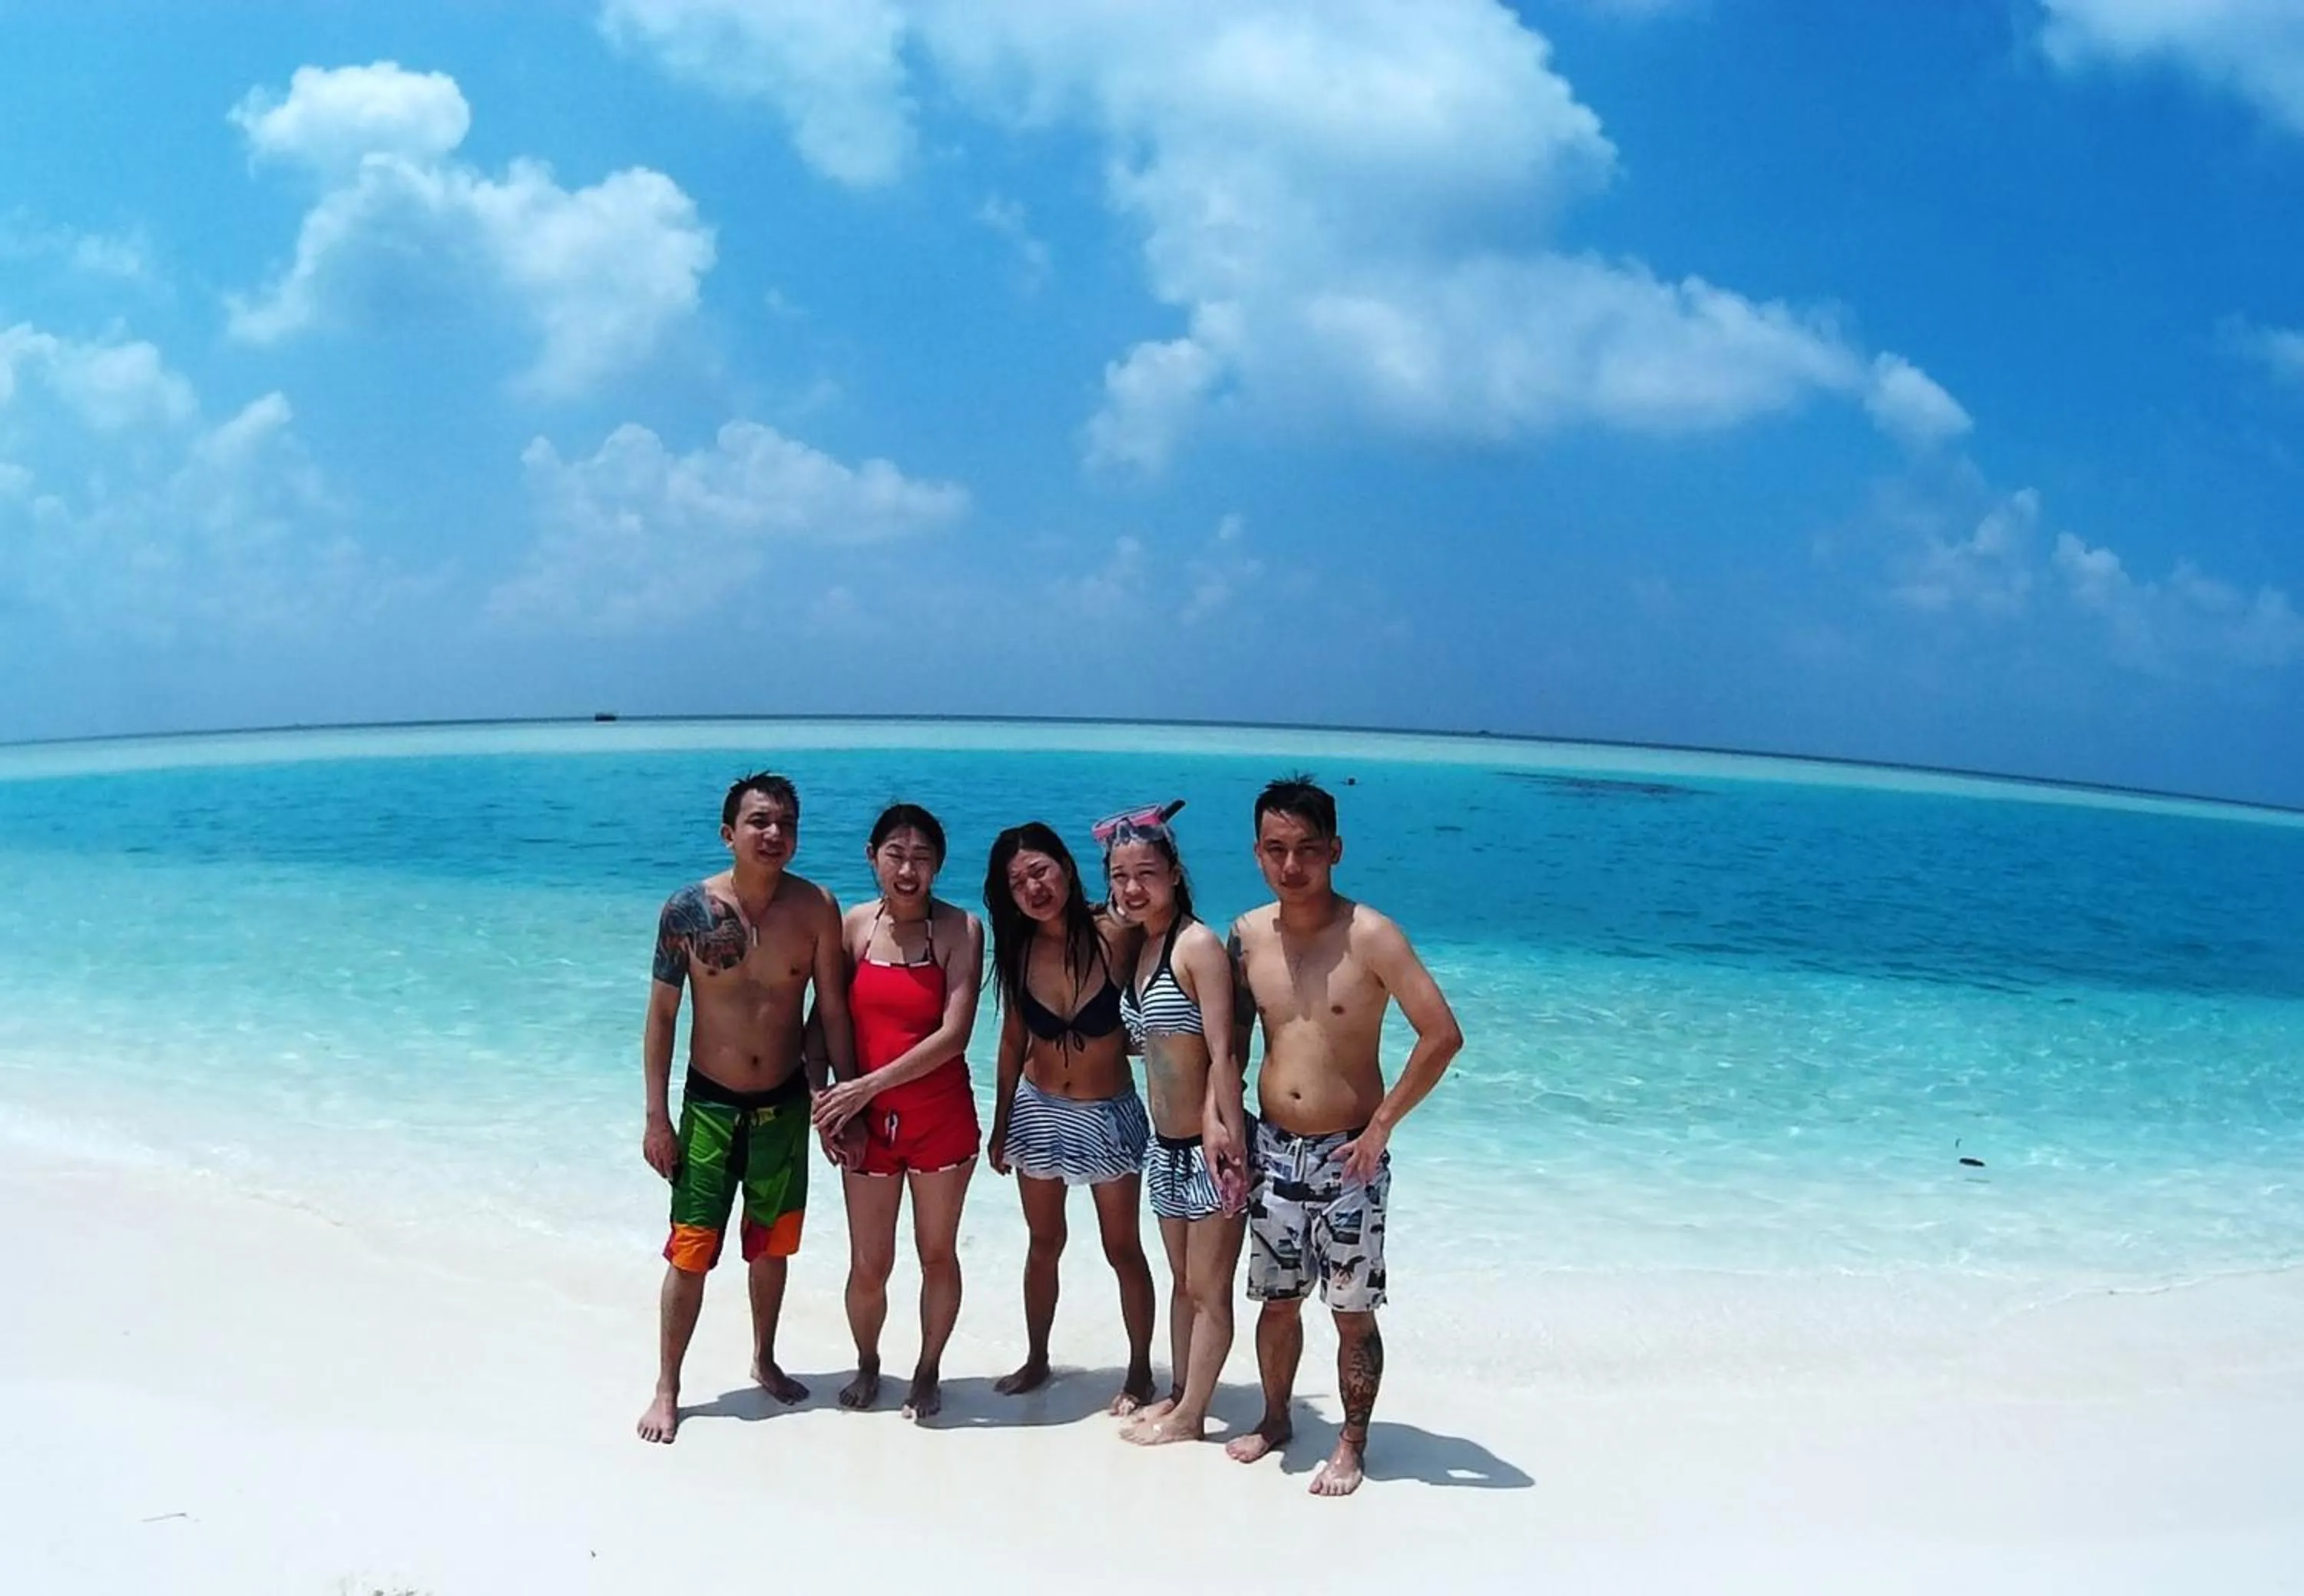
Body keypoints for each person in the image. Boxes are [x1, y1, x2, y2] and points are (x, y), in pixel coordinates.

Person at [1223, 776, 1465, 1496]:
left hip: (1349, 1153)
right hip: (1271, 1150)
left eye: (1307, 849)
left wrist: (1382, 1125)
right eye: (1275, 849)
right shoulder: (1246, 935)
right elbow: (1229, 1043)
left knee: (1352, 1311)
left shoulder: (1371, 935)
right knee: (1275, 1301)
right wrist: (1223, 1123)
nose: (1291, 865)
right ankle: (1275, 1419)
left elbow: (1442, 1035)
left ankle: (1352, 1441)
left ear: (1335, 850)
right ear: (1257, 853)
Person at [636, 772, 853, 1445]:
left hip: (783, 1106)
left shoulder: (816, 908)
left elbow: (832, 1011)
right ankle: (668, 1386)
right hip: (709, 1105)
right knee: (690, 1250)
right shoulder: (687, 910)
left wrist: (841, 1098)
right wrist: (656, 1117)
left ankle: (764, 1358)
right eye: (759, 821)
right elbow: (662, 1017)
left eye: (786, 823)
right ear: (729, 834)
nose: (774, 833)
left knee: (772, 1247)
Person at [810, 803, 984, 1422]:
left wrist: (864, 1086)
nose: (908, 871)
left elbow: (954, 1035)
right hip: (866, 1130)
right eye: (896, 856)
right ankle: (867, 1362)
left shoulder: (962, 929)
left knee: (937, 1254)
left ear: (939, 865)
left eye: (922, 858)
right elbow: (821, 1023)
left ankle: (929, 1369)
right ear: (872, 857)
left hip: (942, 1120)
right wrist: (826, 1102)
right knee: (869, 1264)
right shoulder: (854, 927)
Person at [982, 821, 1158, 1413]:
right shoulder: (1020, 949)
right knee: (1044, 1243)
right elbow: (1012, 1041)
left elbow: (1166, 922)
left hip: (1108, 1113)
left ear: (1066, 866)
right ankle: (1037, 1358)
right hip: (1037, 1111)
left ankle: (1140, 1372)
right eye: (1018, 883)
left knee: (1122, 1248)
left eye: (1040, 871)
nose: (1033, 888)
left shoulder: (1117, 935)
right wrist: (1000, 1122)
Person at [1097, 801, 1249, 1446]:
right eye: (1120, 876)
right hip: (1166, 1147)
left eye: (1146, 874)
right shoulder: (1144, 945)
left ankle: (1191, 1417)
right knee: (1183, 1284)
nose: (1133, 888)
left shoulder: (1197, 945)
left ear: (1175, 873)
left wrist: (1223, 1126)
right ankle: (1182, 1394)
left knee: (1211, 1289)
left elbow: (1226, 1049)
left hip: (1211, 1144)